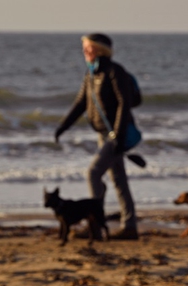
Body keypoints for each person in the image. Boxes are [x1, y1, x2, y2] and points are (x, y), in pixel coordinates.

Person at [54, 33, 139, 240]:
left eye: (88, 48)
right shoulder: (91, 74)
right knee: (119, 179)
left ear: (99, 50)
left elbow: (123, 104)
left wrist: (117, 137)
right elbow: (81, 103)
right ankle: (129, 227)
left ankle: (95, 224)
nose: (84, 51)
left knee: (93, 173)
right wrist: (62, 127)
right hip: (104, 134)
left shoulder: (114, 71)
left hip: (116, 134)